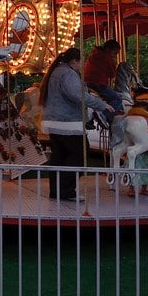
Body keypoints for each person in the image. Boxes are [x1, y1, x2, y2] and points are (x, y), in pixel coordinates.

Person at [40, 47, 113, 202]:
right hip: (68, 123)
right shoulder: (67, 74)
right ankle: (66, 190)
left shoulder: (58, 71)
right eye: (82, 61)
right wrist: (101, 104)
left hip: (55, 122)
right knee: (79, 155)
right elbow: (77, 95)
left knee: (59, 157)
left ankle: (56, 190)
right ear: (74, 61)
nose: (83, 65)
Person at [84, 39, 126, 145]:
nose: (114, 56)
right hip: (98, 83)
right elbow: (112, 74)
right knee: (117, 98)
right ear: (108, 49)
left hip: (87, 82)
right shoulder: (106, 57)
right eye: (114, 53)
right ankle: (104, 114)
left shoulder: (94, 53)